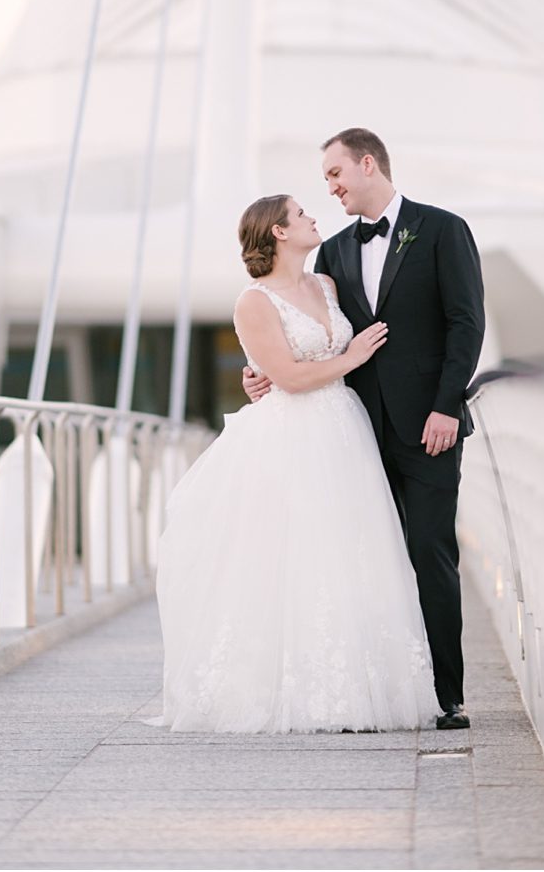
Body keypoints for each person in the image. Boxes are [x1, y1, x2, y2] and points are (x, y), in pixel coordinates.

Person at [150, 193, 438, 734]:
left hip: (343, 430)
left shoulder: (325, 285)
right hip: (291, 437)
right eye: (301, 213)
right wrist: (349, 358)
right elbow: (287, 376)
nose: (313, 217)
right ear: (279, 232)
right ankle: (290, 691)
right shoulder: (253, 302)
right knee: (293, 555)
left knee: (350, 551)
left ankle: (356, 683)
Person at [240, 128, 484, 728]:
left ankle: (445, 697)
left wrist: (446, 407)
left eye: (334, 174)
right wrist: (262, 375)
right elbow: (311, 334)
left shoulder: (442, 229)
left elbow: (465, 325)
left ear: (366, 164)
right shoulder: (333, 255)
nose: (330, 188)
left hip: (429, 426)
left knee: (431, 554)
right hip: (353, 431)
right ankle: (379, 686)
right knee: (367, 559)